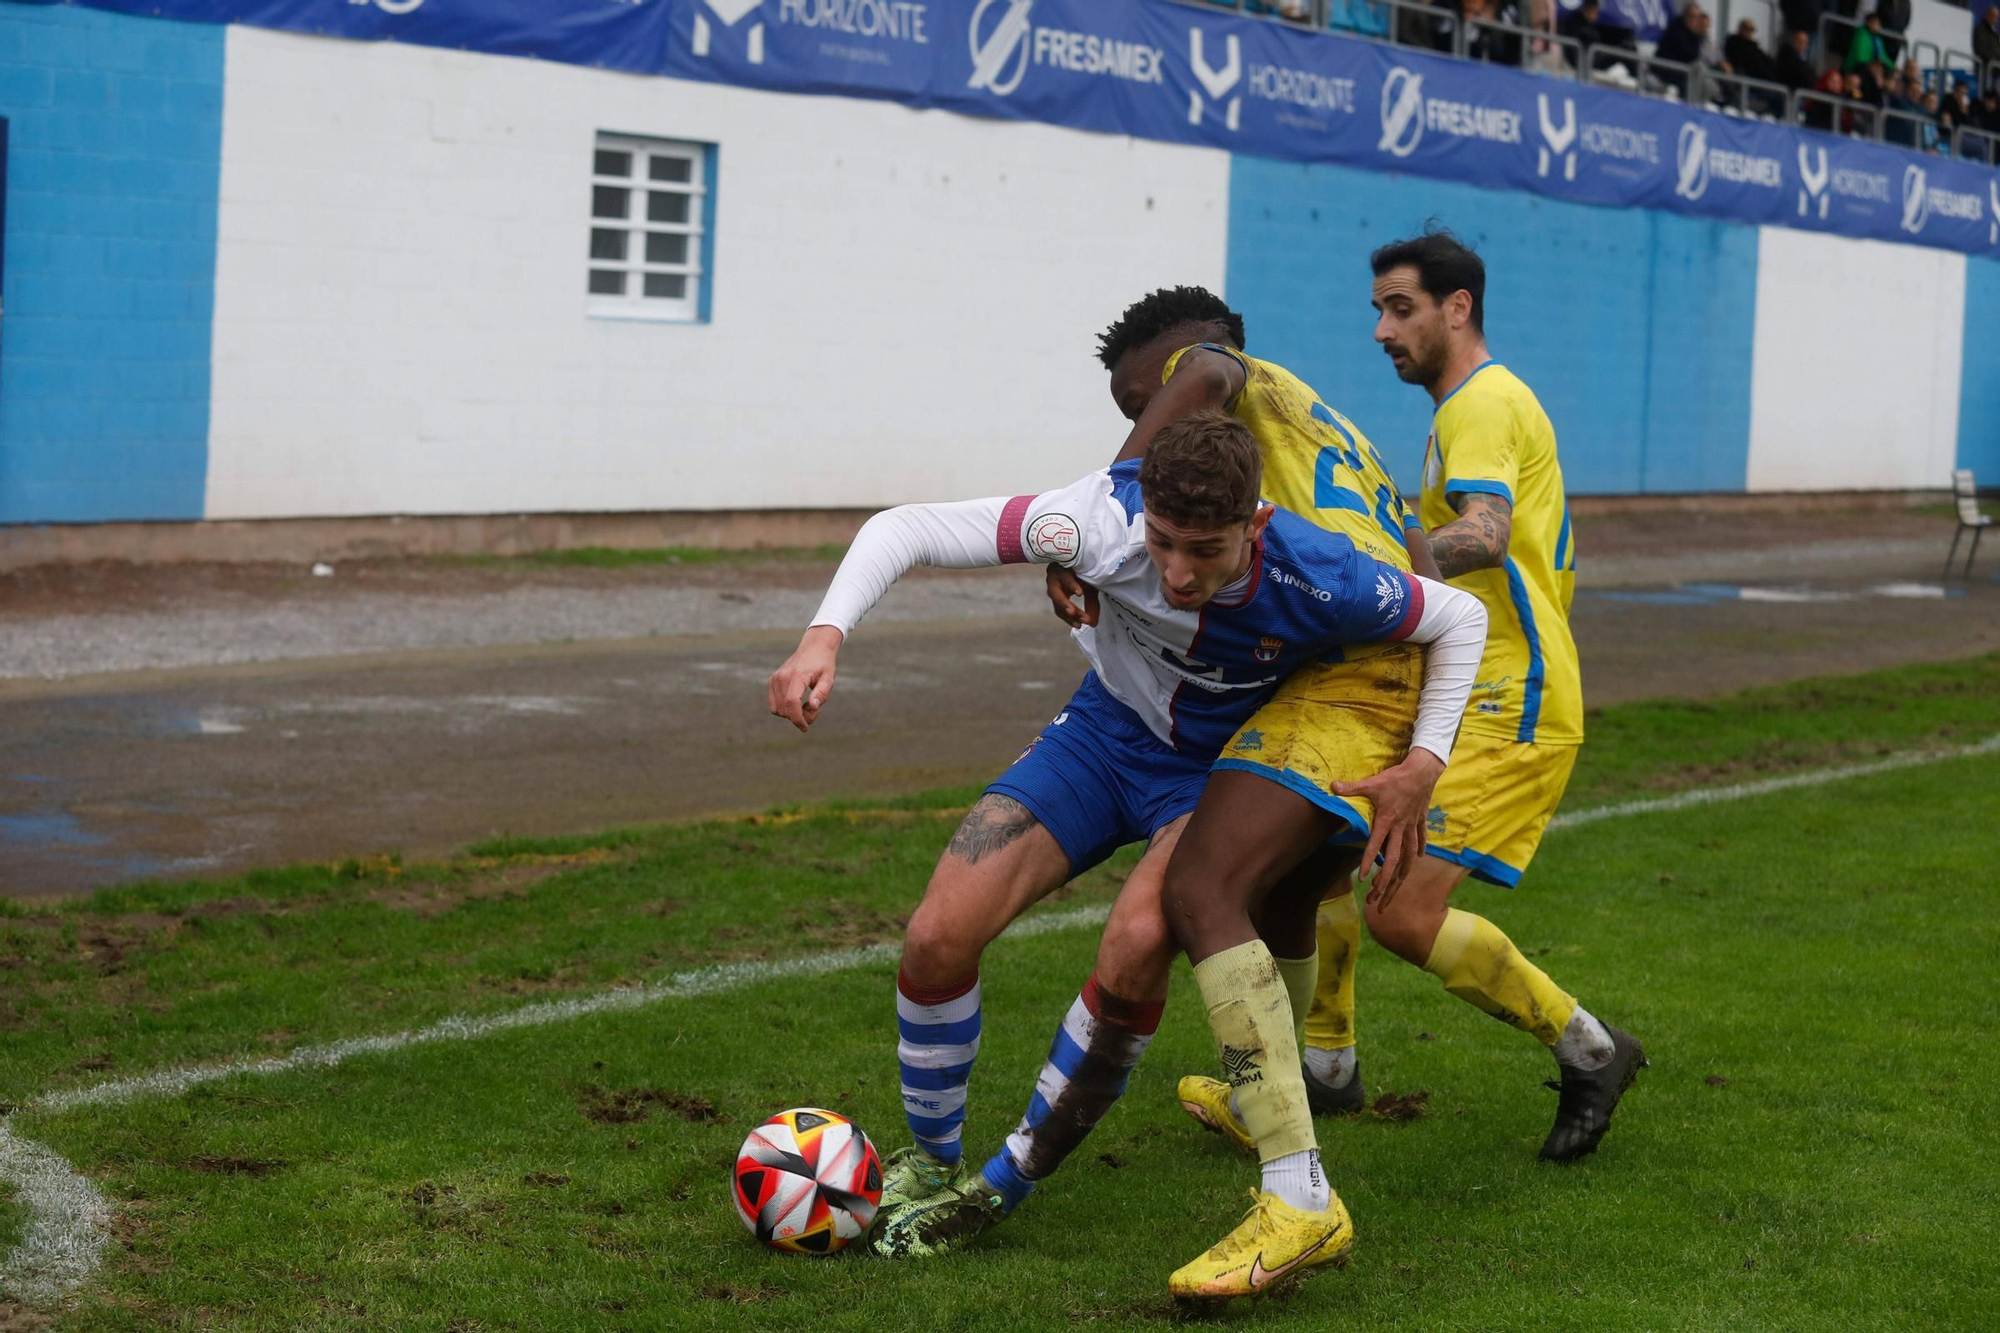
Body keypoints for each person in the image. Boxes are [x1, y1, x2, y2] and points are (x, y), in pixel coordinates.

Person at [768, 409, 1489, 1279]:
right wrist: (824, 632)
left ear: (1253, 525)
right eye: (1164, 541)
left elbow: (1457, 617)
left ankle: (1004, 1182)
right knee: (935, 935)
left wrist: (1424, 761)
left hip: (1214, 774)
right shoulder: (1093, 521)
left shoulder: (1316, 571)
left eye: (1206, 550)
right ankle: (931, 1162)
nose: (1178, 572)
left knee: (1138, 943)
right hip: (1101, 738)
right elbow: (905, 527)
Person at [1178, 231, 1645, 1198]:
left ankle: (1593, 1049)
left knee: (1400, 910)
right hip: (1466, 685)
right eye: (1379, 309)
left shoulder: (1480, 401)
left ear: (1457, 308)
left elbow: (1484, 532)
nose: (1383, 329)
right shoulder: (1466, 408)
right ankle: (1331, 1065)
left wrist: (1375, 574)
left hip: (1512, 701)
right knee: (1334, 844)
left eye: (1401, 308)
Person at [1778, 26, 1819, 94]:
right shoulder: (1787, 54)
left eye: (1805, 43)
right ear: (1793, 41)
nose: (1802, 45)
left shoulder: (1803, 59)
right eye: (1799, 42)